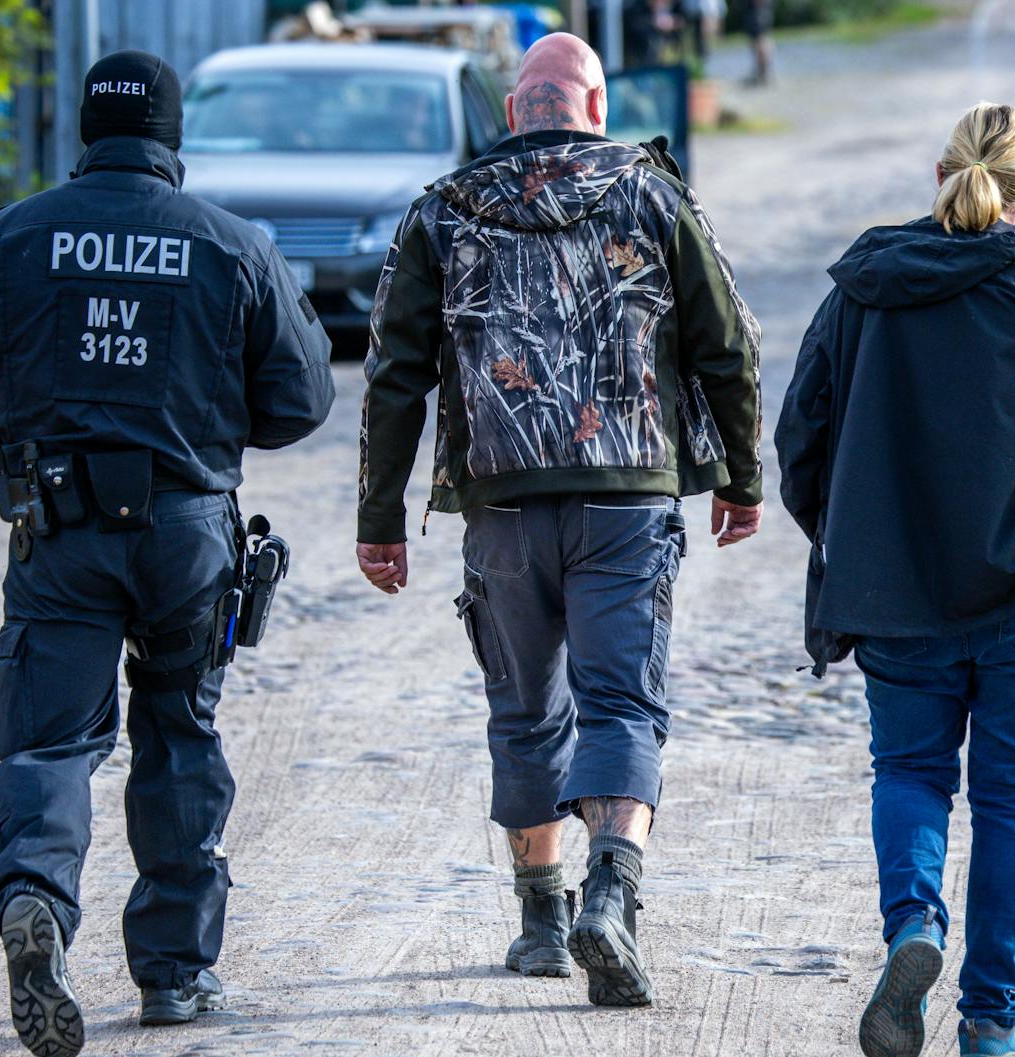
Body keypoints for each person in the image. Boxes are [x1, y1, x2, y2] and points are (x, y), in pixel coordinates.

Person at [0, 50, 335, 1057]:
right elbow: (302, 398)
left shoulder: (10, 236)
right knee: (179, 729)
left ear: (86, 134)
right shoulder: (232, 245)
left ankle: (35, 895)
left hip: (56, 527)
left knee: (51, 742)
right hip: (186, 532)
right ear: (173, 139)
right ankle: (175, 974)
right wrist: (206, 424)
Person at [355, 32, 763, 1009]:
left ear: (513, 112)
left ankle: (541, 924)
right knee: (621, 705)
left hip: (499, 503)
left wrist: (380, 518)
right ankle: (610, 896)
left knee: (524, 709)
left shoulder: (444, 210)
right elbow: (727, 346)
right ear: (597, 108)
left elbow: (393, 373)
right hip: (626, 497)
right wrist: (742, 478)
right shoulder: (653, 195)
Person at [775, 102, 1015, 1057]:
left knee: (909, 771)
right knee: (1011, 792)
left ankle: (914, 924)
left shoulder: (865, 287)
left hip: (896, 591)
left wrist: (853, 536)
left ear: (941, 176)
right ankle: (991, 1021)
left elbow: (800, 436)